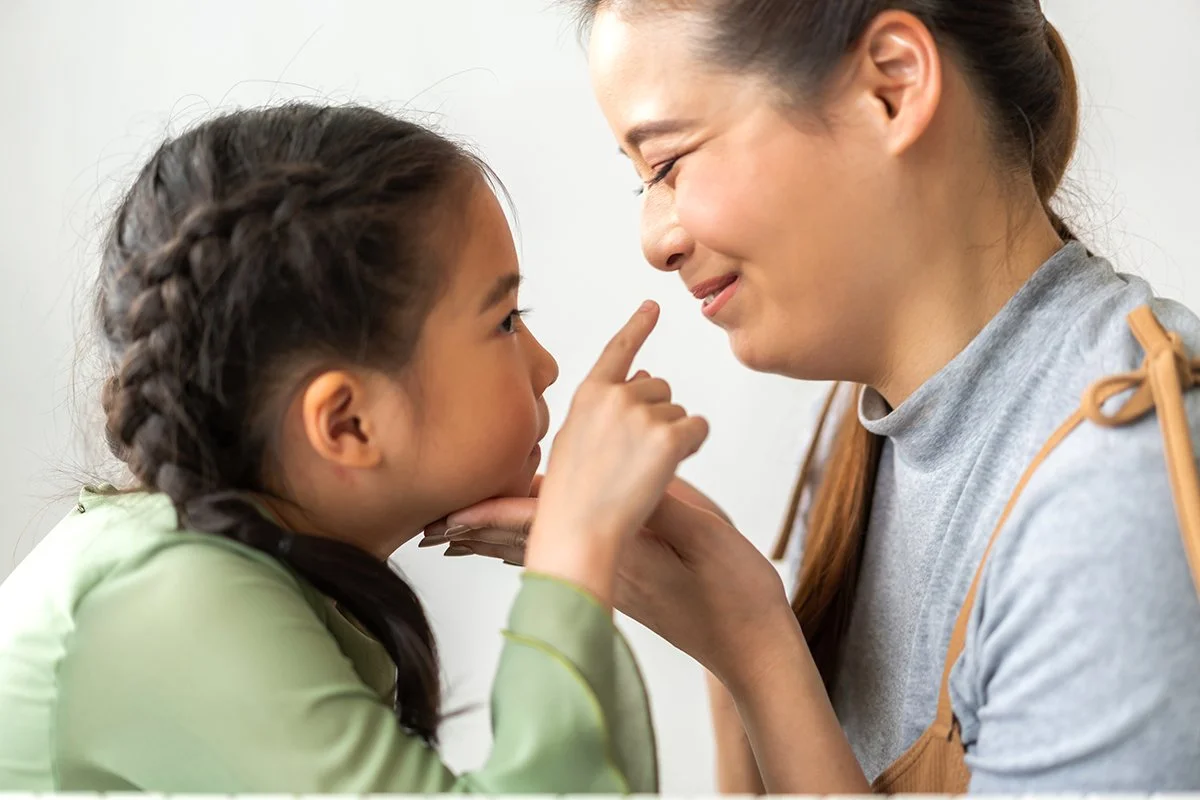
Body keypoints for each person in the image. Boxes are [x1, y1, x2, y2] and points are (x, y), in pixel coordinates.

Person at [427, 0, 1200, 792]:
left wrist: (754, 647)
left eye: (667, 165)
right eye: (643, 186)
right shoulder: (854, 425)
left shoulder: (1113, 497)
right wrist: (724, 630)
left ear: (892, 88)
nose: (657, 241)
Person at [0, 103, 711, 792]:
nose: (547, 365)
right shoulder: (166, 602)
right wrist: (577, 545)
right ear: (347, 425)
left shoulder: (220, 573)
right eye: (504, 320)